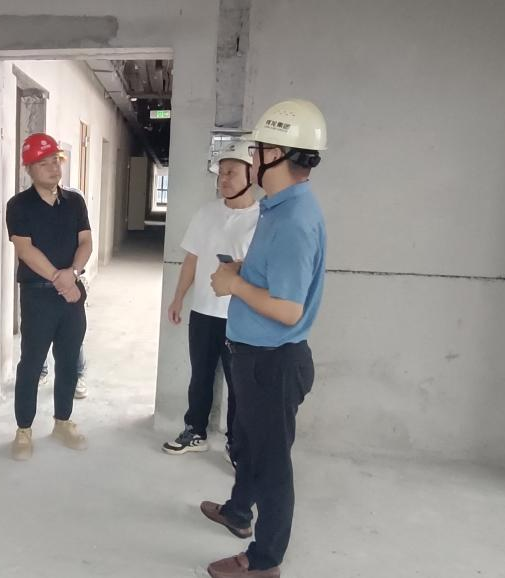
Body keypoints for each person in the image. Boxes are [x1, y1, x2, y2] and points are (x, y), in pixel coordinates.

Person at [199, 99, 329, 578]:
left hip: (272, 363)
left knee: (272, 464)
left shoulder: (293, 221)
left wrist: (234, 285)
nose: (251, 160)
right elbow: (276, 278)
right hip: (256, 356)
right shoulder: (279, 208)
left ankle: (264, 561)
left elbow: (289, 309)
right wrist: (242, 271)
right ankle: (238, 511)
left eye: (256, 151)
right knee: (250, 446)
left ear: (276, 154)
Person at [163, 142, 259, 460]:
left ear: (251, 175)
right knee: (200, 376)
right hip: (203, 311)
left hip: (240, 314)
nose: (224, 179)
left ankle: (236, 443)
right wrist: (178, 297)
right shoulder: (206, 213)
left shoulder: (262, 219)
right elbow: (192, 258)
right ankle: (195, 431)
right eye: (221, 173)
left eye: (231, 172)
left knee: (239, 384)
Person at [5, 133, 91, 461]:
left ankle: (62, 422)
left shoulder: (75, 202)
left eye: (56, 160)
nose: (54, 168)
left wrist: (74, 274)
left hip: (72, 296)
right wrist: (61, 279)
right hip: (38, 297)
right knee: (32, 363)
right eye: (44, 163)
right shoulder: (19, 205)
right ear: (29, 168)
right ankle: (23, 430)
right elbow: (25, 251)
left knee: (68, 362)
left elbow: (86, 242)